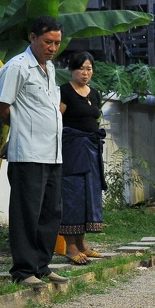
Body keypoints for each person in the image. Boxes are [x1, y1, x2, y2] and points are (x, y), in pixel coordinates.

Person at [0, 16, 69, 287]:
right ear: (33, 37)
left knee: (51, 212)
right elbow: (1, 107)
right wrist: (21, 130)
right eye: (48, 41)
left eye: (57, 43)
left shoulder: (50, 69)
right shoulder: (18, 66)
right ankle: (24, 271)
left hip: (53, 153)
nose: (52, 47)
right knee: (27, 213)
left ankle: (42, 265)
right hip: (27, 154)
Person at [58, 52, 107, 265]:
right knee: (73, 194)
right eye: (81, 69)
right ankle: (70, 247)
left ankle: (82, 245)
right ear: (72, 70)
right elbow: (56, 120)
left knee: (89, 193)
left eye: (89, 69)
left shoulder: (94, 93)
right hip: (72, 149)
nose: (85, 73)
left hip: (92, 149)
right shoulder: (64, 91)